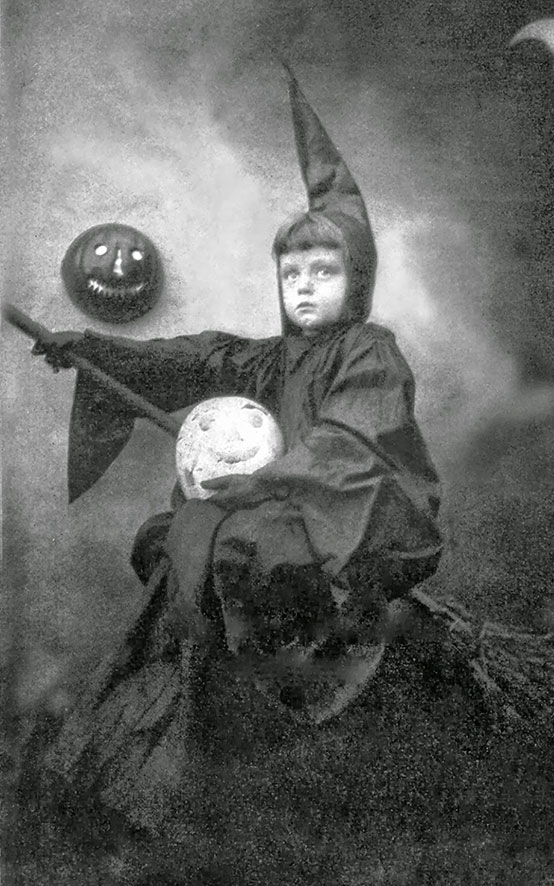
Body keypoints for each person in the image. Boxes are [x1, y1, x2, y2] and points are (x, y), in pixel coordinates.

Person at [28, 68, 443, 838]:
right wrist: (90, 347)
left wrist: (262, 479)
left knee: (238, 539)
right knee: (172, 534)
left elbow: (353, 441)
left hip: (359, 513)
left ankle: (279, 694)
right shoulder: (273, 359)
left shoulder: (370, 351)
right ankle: (153, 718)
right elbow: (196, 357)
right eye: (291, 274)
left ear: (356, 279)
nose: (304, 287)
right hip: (279, 501)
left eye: (324, 272)